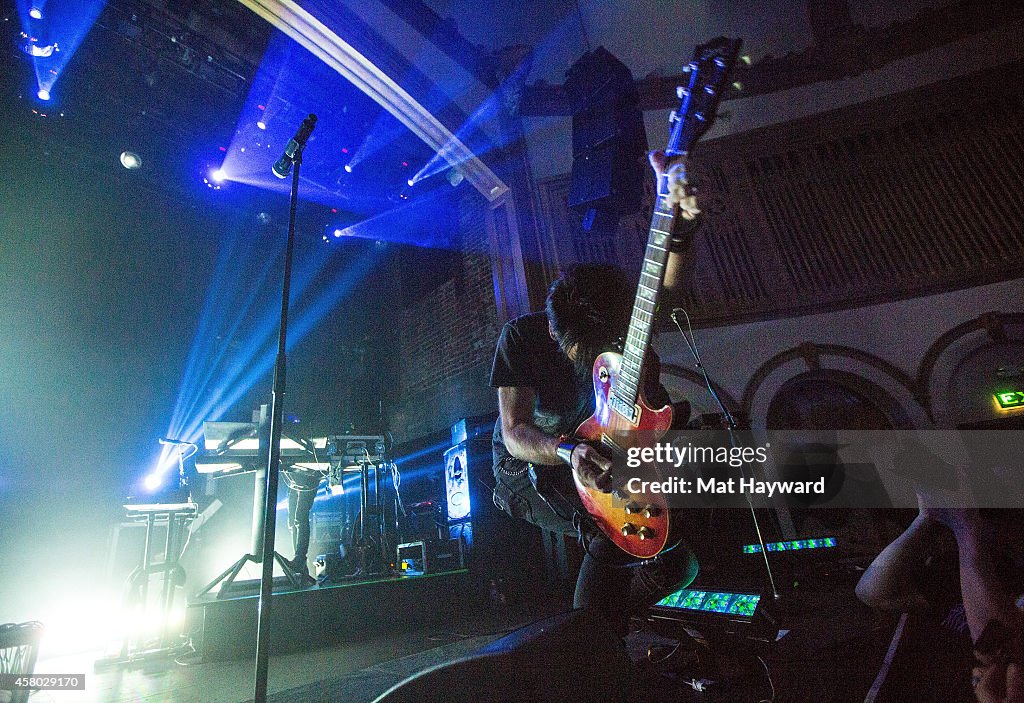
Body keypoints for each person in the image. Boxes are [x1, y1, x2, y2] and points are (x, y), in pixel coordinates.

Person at [489, 151, 700, 632]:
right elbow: (515, 431)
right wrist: (569, 451)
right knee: (604, 534)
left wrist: (683, 226)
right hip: (534, 464)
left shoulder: (617, 326)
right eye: (580, 350)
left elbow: (663, 295)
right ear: (555, 333)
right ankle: (588, 643)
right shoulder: (522, 338)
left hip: (608, 447)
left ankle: (612, 624)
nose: (589, 358)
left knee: (679, 555)